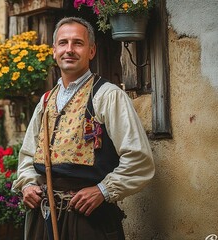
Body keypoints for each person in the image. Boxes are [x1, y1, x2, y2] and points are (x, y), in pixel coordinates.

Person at [12, 17, 155, 240]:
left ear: (91, 51)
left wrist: (103, 190)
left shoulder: (108, 95)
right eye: (63, 43)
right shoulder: (46, 101)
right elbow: (28, 156)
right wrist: (28, 185)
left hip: (90, 220)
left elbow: (139, 159)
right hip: (45, 218)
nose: (69, 50)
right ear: (54, 50)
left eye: (78, 43)